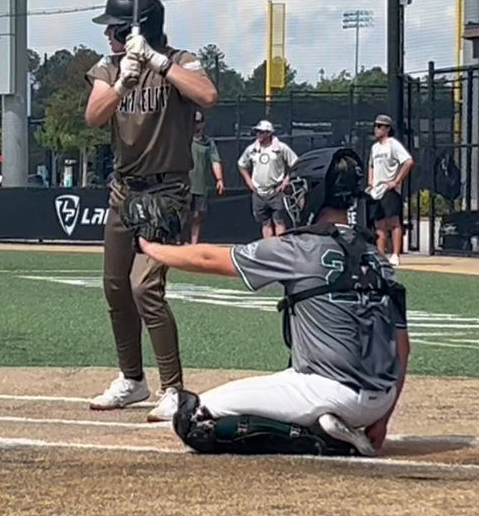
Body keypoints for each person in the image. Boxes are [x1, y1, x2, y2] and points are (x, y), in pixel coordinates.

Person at [138, 147, 410, 457]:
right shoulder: (378, 258)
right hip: (381, 397)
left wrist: (152, 248)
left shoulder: (299, 247)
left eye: (300, 190)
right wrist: (383, 418)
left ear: (316, 192)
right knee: (287, 387)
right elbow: (402, 348)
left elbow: (208, 258)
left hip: (326, 390)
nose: (295, 198)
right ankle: (327, 427)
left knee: (194, 419)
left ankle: (325, 439)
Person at [82, 0, 219, 422]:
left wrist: (157, 62)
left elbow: (207, 96)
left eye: (113, 29)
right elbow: (94, 116)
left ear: (133, 30)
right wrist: (123, 82)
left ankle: (174, 388)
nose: (107, 36)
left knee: (145, 288)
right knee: (116, 286)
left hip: (167, 191)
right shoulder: (109, 67)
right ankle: (132, 379)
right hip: (124, 190)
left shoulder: (180, 61)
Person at [366, 115, 414, 267]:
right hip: (376, 191)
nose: (376, 129)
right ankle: (381, 257)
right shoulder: (374, 147)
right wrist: (371, 181)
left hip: (390, 190)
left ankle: (395, 255)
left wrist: (396, 181)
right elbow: (371, 165)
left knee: (393, 223)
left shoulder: (393, 144)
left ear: (387, 129)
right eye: (375, 125)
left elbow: (408, 161)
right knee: (379, 225)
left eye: (379, 126)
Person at [238, 120, 298, 238]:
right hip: (259, 192)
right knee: (265, 223)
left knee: (279, 221)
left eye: (261, 132)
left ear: (269, 133)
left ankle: (279, 247)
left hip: (276, 191)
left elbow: (295, 163)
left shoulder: (281, 148)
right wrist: (248, 181)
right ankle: (268, 247)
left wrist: (286, 181)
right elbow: (241, 164)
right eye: (257, 132)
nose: (258, 134)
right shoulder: (252, 149)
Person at [187, 111, 225, 244]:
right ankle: (177, 242)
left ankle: (194, 244)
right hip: (183, 185)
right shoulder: (183, 139)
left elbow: (215, 161)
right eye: (193, 122)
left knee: (197, 215)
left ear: (203, 123)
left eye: (198, 122)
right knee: (182, 215)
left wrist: (219, 179)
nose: (195, 125)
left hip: (200, 186)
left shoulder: (209, 143)